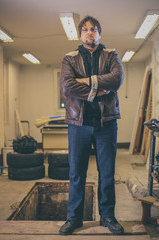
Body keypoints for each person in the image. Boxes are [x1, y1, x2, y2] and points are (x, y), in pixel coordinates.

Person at [59, 16, 124, 235]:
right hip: (78, 124)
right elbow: (67, 87)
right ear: (80, 35)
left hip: (106, 123)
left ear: (99, 33)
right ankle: (74, 219)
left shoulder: (111, 55)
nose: (89, 33)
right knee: (77, 173)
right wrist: (98, 86)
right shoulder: (69, 59)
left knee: (107, 172)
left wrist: (86, 81)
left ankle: (107, 217)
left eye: (93, 29)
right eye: (85, 30)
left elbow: (116, 80)